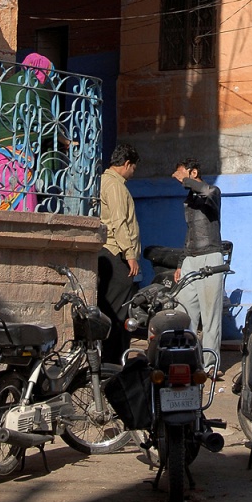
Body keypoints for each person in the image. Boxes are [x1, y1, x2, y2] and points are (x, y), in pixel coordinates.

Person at [0, 52, 57, 212]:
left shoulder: (6, 86)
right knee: (22, 207)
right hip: (16, 157)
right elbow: (47, 125)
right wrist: (66, 141)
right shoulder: (35, 88)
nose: (46, 81)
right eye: (47, 75)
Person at [171, 159, 225, 377]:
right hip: (191, 260)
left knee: (210, 314)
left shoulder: (213, 192)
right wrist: (180, 263)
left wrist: (185, 179)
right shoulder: (189, 200)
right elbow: (189, 233)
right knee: (184, 311)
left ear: (194, 172)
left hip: (211, 257)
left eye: (183, 174)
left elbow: (208, 192)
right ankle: (187, 359)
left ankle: (210, 364)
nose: (179, 180)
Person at [98, 143, 141, 363]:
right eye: (133, 168)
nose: (133, 172)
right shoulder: (115, 185)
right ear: (126, 164)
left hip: (110, 252)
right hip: (116, 253)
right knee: (119, 312)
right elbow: (119, 222)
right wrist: (130, 253)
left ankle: (112, 359)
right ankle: (113, 361)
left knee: (112, 308)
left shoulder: (106, 181)